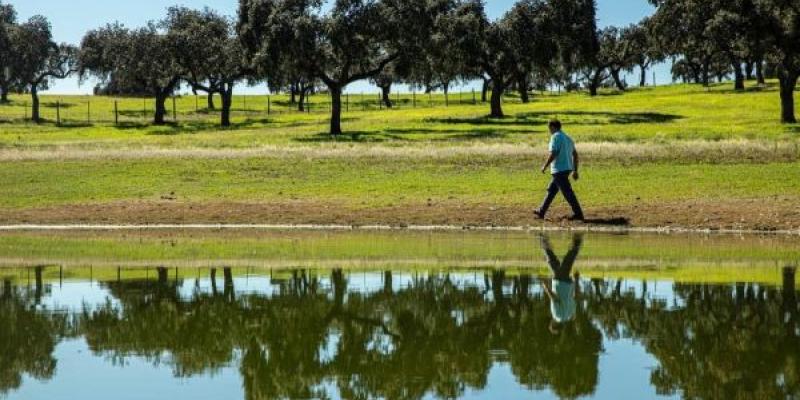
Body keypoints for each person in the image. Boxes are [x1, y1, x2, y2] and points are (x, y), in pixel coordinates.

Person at [534, 120, 584, 221]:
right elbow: (575, 155)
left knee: (567, 192)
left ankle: (578, 214)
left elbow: (554, 152)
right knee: (552, 190)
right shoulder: (568, 138)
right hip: (567, 169)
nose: (549, 131)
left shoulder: (555, 136)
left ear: (552, 127)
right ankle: (541, 211)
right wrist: (575, 170)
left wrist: (545, 166)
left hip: (559, 169)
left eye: (549, 128)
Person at [539, 233, 583, 332]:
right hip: (560, 282)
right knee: (555, 260)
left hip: (568, 283)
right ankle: (543, 239)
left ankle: (577, 240)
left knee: (560, 261)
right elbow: (555, 299)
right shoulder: (557, 315)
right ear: (552, 324)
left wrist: (576, 281)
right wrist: (546, 287)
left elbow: (575, 297)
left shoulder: (570, 315)